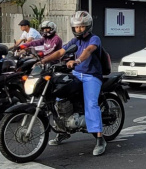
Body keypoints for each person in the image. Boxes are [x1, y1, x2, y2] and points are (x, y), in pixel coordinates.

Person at [37, 11, 107, 156]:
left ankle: (100, 139)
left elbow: (88, 51)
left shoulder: (95, 39)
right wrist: (43, 61)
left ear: (88, 26)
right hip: (76, 74)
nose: (79, 29)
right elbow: (60, 52)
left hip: (91, 76)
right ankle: (63, 130)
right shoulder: (75, 41)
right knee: (58, 96)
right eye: (76, 27)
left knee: (91, 104)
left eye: (82, 27)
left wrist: (78, 61)